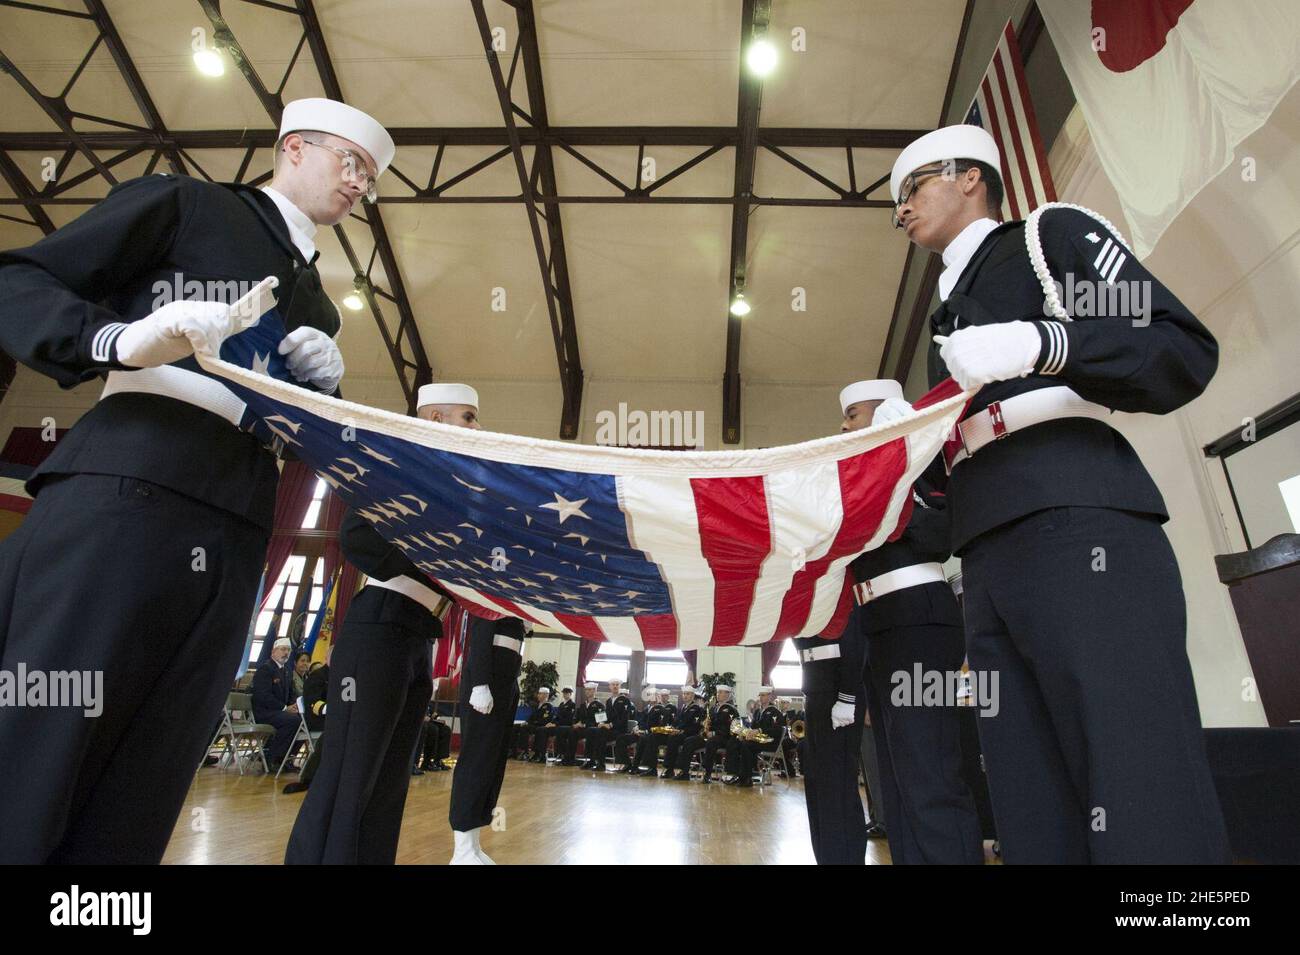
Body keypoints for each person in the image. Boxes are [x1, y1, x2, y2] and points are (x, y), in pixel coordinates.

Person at [0, 96, 389, 864]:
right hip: (129, 486)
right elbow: (17, 281)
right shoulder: (187, 204)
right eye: (351, 162)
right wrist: (116, 337)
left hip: (240, 528)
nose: (359, 185)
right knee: (44, 742)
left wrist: (323, 397)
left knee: (154, 767)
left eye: (370, 177)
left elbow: (299, 435)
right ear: (295, 148)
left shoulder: (317, 304)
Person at [890, 123, 1228, 863]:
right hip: (985, 554)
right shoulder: (944, 317)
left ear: (968, 176)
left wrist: (1050, 341)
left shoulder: (1046, 239)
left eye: (911, 189)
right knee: (1026, 790)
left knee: (1135, 768)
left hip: (1080, 520)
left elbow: (1177, 348)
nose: (902, 212)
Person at [284, 383, 480, 865]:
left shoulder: (453, 489)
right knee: (352, 768)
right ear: (434, 418)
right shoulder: (398, 467)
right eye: (469, 416)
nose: (478, 426)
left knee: (391, 774)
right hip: (380, 625)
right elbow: (356, 535)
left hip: (417, 634)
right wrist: (432, 563)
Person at [840, 378, 983, 864]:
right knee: (896, 777)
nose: (844, 423)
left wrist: (884, 512)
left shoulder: (916, 461)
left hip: (920, 623)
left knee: (930, 769)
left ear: (884, 413)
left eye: (854, 413)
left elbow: (942, 528)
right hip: (879, 626)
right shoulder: (862, 475)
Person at [448, 613, 531, 864]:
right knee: (476, 761)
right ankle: (461, 848)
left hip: (506, 676)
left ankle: (472, 845)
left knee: (491, 765)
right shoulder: (495, 577)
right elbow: (482, 626)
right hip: (488, 676)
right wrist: (480, 683)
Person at [794, 615, 868, 864]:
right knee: (817, 784)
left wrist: (848, 696)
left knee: (837, 786)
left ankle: (845, 858)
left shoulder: (838, 578)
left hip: (838, 690)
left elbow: (855, 640)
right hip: (816, 689)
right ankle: (827, 857)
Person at [671, 684, 739, 782]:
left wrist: (714, 733)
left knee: (711, 742)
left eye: (720, 692)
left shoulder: (731, 709)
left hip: (723, 737)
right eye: (717, 692)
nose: (717, 694)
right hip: (708, 735)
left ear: (727, 695)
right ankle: (684, 771)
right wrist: (704, 725)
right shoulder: (713, 708)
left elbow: (730, 727)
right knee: (689, 741)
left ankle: (708, 773)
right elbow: (706, 721)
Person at [283, 660, 330, 794]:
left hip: (334, 717)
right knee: (334, 732)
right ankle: (309, 778)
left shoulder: (346, 676)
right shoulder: (317, 676)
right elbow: (313, 702)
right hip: (317, 718)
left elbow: (349, 698)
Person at [724, 687, 784, 788]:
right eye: (760, 695)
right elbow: (753, 728)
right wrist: (746, 734)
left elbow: (777, 730)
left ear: (770, 697)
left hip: (771, 743)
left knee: (746, 745)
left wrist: (760, 730)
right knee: (735, 742)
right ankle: (734, 774)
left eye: (763, 695)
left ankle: (746, 778)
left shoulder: (775, 712)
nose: (761, 697)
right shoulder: (757, 712)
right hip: (758, 741)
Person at [581, 679, 631, 772]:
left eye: (617, 685)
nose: (615, 686)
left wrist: (610, 725)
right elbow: (606, 716)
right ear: (610, 687)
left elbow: (624, 718)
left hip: (619, 730)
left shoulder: (625, 700)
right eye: (613, 685)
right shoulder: (608, 701)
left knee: (600, 733)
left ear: (619, 687)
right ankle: (591, 760)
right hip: (609, 729)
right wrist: (601, 723)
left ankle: (601, 763)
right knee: (591, 730)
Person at [514, 687, 556, 761]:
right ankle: (517, 750)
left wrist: (532, 723)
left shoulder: (548, 706)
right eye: (539, 694)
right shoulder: (537, 706)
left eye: (540, 694)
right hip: (535, 726)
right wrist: (527, 722)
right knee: (517, 727)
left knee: (530, 729)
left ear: (546, 695)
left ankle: (533, 753)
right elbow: (531, 717)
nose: (538, 695)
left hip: (542, 726)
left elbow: (545, 720)